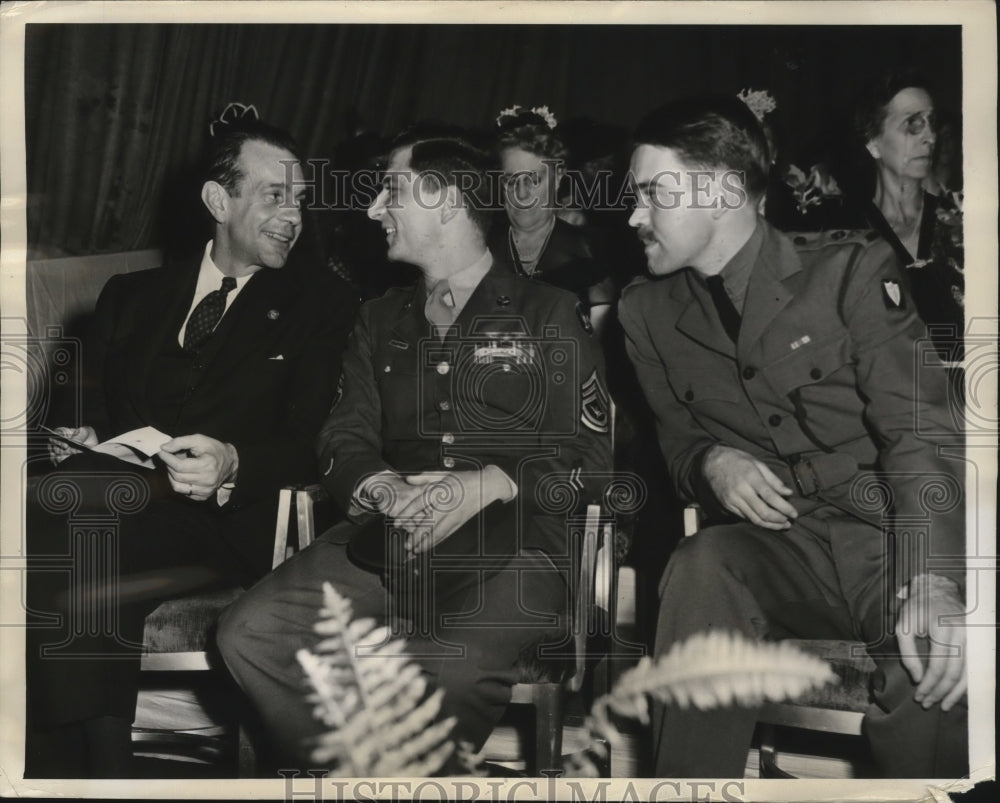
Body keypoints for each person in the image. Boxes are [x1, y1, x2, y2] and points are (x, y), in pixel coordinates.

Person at [216, 131, 612, 772]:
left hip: (520, 545)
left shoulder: (548, 311)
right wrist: (381, 489)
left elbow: (593, 457)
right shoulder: (379, 319)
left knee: (441, 670)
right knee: (252, 634)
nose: (373, 210)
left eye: (390, 191)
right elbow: (344, 436)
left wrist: (489, 482)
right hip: (389, 536)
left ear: (446, 200)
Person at [618, 95, 967, 778]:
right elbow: (678, 443)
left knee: (935, 658)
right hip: (782, 550)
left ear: (719, 190)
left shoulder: (850, 273)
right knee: (702, 564)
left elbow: (920, 430)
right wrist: (710, 461)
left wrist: (935, 576)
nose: (634, 216)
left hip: (887, 539)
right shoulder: (644, 312)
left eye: (652, 193)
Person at [25, 109, 357, 778]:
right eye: (273, 195)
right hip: (116, 508)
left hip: (229, 522)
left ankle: (74, 769)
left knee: (71, 522)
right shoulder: (130, 296)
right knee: (79, 521)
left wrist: (234, 462)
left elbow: (315, 439)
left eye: (298, 198)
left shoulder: (323, 302)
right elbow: (71, 415)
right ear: (217, 199)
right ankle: (100, 767)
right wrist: (76, 433)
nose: (292, 215)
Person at [851, 72, 964, 359]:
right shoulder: (848, 234)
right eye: (912, 124)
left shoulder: (958, 222)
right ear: (873, 143)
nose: (929, 136)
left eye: (931, 123)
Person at [489, 106, 616, 338]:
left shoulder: (588, 249)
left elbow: (596, 335)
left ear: (557, 178)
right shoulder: (480, 246)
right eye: (510, 180)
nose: (521, 194)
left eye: (534, 180)